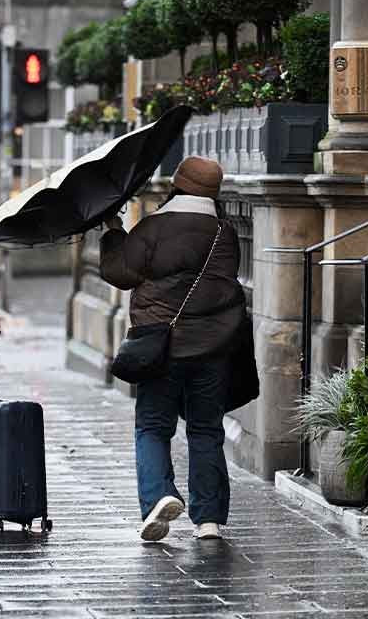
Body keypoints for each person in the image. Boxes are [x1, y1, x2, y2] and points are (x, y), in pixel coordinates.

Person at [98, 156, 246, 543]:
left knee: (152, 425)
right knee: (206, 429)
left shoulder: (154, 228)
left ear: (177, 185)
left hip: (160, 345)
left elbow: (120, 273)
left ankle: (158, 496)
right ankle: (209, 519)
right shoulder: (224, 233)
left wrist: (114, 233)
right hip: (214, 346)